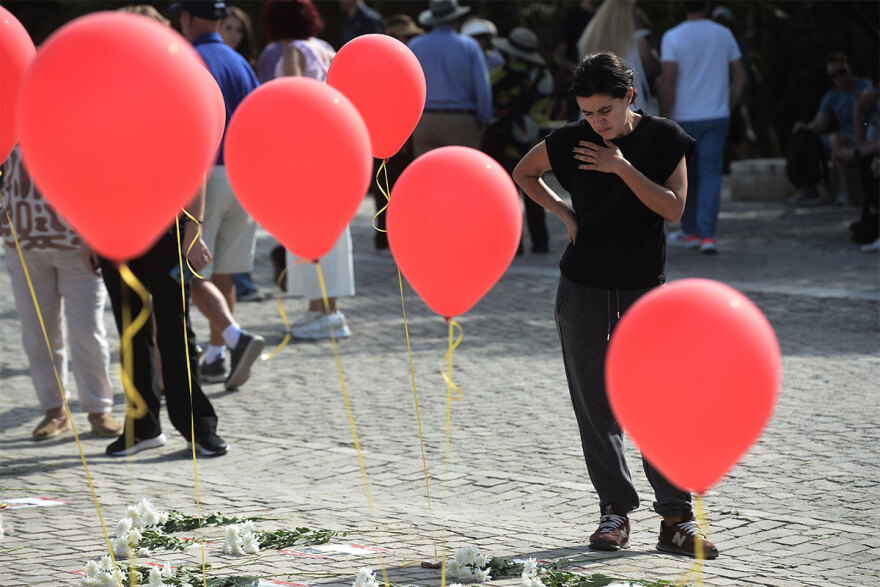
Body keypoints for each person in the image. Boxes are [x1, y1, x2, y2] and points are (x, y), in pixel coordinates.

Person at [513, 52, 719, 559]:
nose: (595, 122)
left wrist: (621, 167)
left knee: (656, 404)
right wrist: (563, 212)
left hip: (643, 290)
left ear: (630, 96)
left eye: (604, 110)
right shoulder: (570, 139)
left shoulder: (664, 137)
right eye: (587, 112)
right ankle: (614, 513)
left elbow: (673, 208)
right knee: (595, 408)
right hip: (581, 287)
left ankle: (676, 519)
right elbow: (524, 172)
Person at [170, 0, 265, 388]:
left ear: (189, 18)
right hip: (242, 175)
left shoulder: (183, 59)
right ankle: (216, 357)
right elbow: (259, 116)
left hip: (202, 178)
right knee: (223, 270)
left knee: (190, 272)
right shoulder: (240, 62)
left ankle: (233, 338)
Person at [1, 147, 122, 442]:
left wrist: (95, 233)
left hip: (78, 246)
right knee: (38, 333)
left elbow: (100, 176)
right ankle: (54, 410)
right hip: (23, 243)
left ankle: (98, 409)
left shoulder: (70, 117)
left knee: (88, 330)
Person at [261, 0, 355, 340]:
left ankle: (320, 309)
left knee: (308, 228)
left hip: (306, 152)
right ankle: (330, 309)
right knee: (332, 231)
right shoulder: (326, 49)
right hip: (336, 148)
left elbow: (291, 100)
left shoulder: (292, 53)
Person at [660, 0, 746, 255]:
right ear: (707, 4)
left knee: (687, 175)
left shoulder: (672, 36)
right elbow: (740, 74)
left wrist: (663, 117)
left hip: (683, 117)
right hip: (717, 115)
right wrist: (727, 104)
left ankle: (691, 231)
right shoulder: (723, 34)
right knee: (711, 174)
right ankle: (708, 235)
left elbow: (668, 81)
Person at [483, 27, 553, 254]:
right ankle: (540, 241)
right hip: (533, 140)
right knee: (535, 188)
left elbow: (487, 100)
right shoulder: (544, 77)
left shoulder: (500, 74)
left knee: (508, 192)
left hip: (503, 140)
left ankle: (515, 244)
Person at [219, 5, 264, 303]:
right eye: (229, 28)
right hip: (225, 163)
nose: (234, 35)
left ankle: (242, 286)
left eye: (239, 29)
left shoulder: (245, 64)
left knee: (232, 244)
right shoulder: (237, 65)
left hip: (236, 164)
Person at [409, 0, 492, 156]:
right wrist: (483, 118)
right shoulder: (469, 45)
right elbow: (482, 88)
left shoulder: (415, 45)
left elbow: (407, 86)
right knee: (464, 174)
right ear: (456, 18)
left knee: (427, 175)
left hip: (425, 120)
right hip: (461, 120)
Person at [789, 52, 872, 207]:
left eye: (842, 72)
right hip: (844, 139)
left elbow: (870, 116)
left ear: (849, 68)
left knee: (835, 139)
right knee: (806, 137)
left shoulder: (865, 87)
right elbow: (819, 124)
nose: (839, 77)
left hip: (867, 132)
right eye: (834, 75)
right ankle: (810, 188)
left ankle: (844, 189)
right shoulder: (832, 96)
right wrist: (803, 128)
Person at [576, 0, 660, 116]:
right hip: (629, 112)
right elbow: (656, 68)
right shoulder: (637, 42)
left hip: (593, 113)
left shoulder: (589, 42)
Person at [551, 0, 598, 122]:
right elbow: (558, 56)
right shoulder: (572, 17)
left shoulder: (606, 17)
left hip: (601, 87)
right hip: (576, 89)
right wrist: (582, 72)